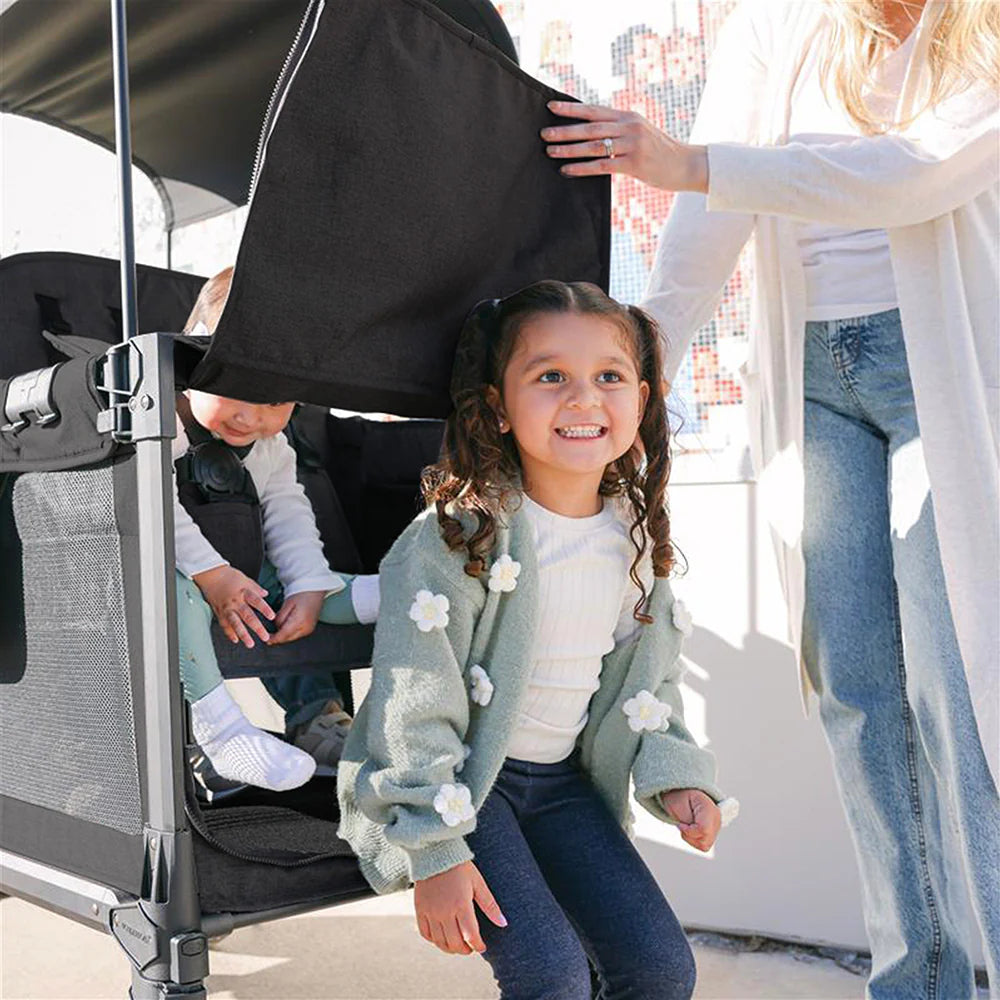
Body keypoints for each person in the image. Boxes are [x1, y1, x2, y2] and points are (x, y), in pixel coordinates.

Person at [542, 1, 999, 996]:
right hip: (811, 376)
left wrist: (697, 163)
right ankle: (914, 983)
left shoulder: (983, 29)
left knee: (962, 690)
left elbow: (914, 172)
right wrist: (640, 362)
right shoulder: (777, 22)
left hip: (940, 368)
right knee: (856, 691)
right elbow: (710, 215)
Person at [338, 281, 738, 1000]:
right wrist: (434, 849)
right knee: (550, 975)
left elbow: (647, 683)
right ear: (498, 406)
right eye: (551, 376)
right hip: (467, 788)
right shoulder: (456, 538)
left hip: (562, 790)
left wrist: (679, 777)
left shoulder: (633, 537)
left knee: (660, 969)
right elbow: (414, 699)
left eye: (609, 377)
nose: (584, 399)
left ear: (641, 400)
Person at [175, 269, 380, 792]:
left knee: (294, 589)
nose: (250, 418)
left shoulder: (270, 446)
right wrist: (212, 576)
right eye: (236, 391)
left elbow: (288, 514)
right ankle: (221, 730)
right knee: (174, 594)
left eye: (275, 402)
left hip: (243, 576)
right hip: (174, 576)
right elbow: (154, 510)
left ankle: (318, 712)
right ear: (194, 360)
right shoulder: (161, 424)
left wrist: (306, 584)